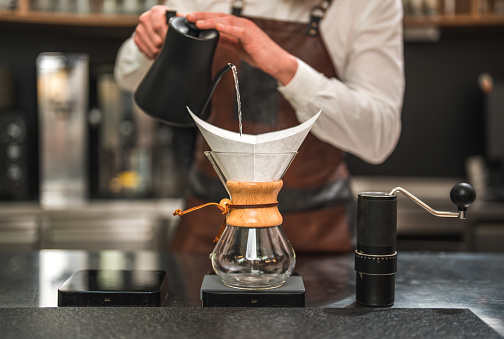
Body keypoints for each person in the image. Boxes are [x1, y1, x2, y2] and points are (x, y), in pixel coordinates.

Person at [114, 0, 405, 253]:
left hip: (319, 236)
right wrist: (149, 43)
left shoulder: (372, 4)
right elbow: (127, 77)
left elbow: (378, 137)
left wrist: (286, 69)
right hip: (210, 230)